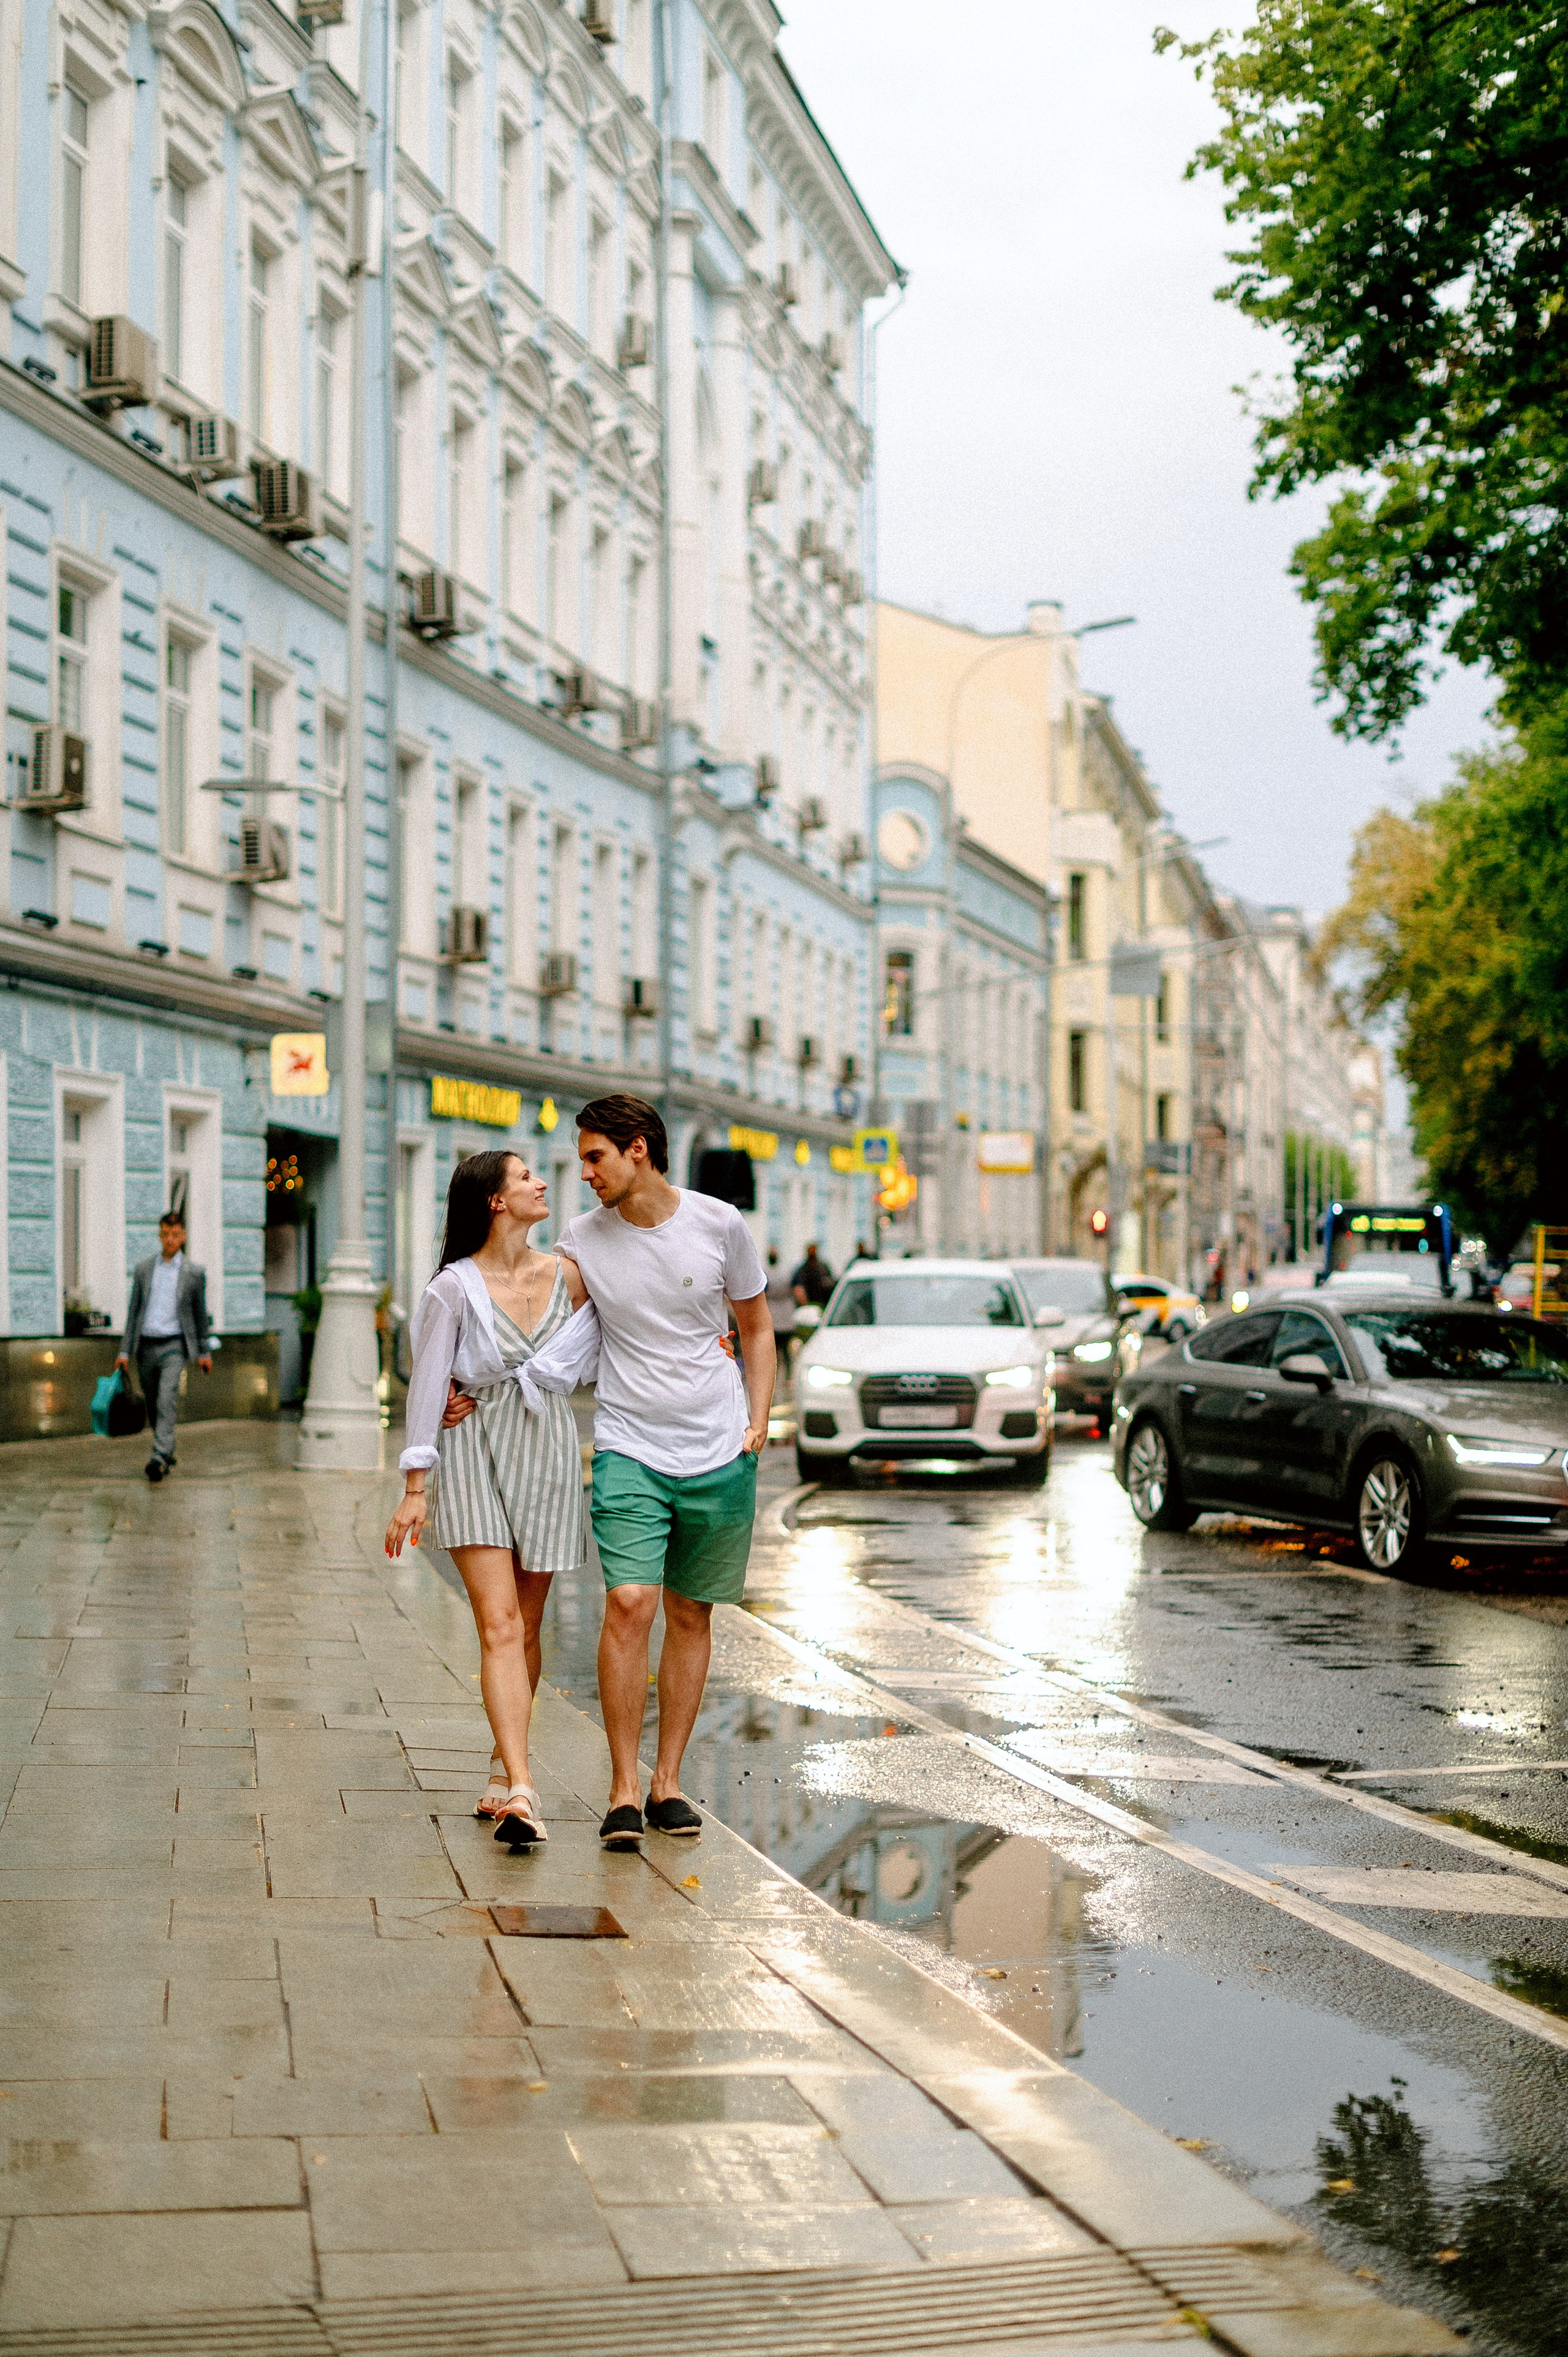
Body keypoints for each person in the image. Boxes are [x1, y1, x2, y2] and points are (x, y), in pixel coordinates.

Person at [526, 1093, 773, 1850]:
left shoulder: (719, 1225)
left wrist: (756, 1422)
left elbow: (757, 1328)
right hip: (629, 1440)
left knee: (691, 1611)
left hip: (717, 1444)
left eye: (595, 1156)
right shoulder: (583, 1237)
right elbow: (529, 1301)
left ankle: (667, 1781)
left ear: (638, 1149)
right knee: (630, 1601)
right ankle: (623, 1788)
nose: (586, 1174)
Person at [383, 1150, 585, 1850]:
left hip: (549, 1451)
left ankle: (504, 1763)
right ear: (495, 1201)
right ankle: (525, 1788)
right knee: (498, 1625)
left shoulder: (569, 1274)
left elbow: (630, 1324)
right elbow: (426, 1383)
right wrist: (415, 1488)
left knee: (528, 1627)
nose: (540, 1183)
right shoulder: (451, 1289)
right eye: (525, 1176)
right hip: (472, 1454)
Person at [116, 1211, 212, 1484]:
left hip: (174, 1345)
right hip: (145, 1346)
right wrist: (124, 1351)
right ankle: (167, 1449)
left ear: (183, 1237)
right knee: (152, 1404)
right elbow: (134, 1311)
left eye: (175, 1235)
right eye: (165, 1234)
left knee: (166, 1398)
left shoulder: (194, 1273)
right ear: (160, 1235)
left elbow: (200, 1315)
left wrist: (204, 1353)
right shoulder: (145, 1269)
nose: (170, 1239)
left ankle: (158, 1457)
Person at [765, 1246, 797, 1377]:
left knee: (774, 1351)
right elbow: (797, 1290)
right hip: (787, 1316)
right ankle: (789, 1376)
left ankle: (774, 1375)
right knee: (786, 1350)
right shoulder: (787, 1273)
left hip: (772, 1316)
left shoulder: (764, 1274)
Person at [791, 1241, 834, 1308]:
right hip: (807, 1305)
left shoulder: (823, 1268)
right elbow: (798, 1288)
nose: (812, 1253)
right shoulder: (802, 1271)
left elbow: (830, 1283)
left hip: (822, 1304)